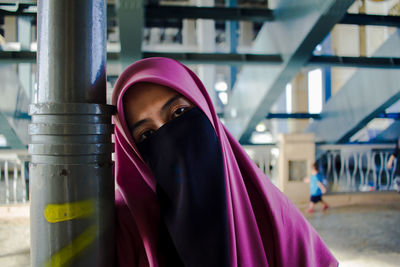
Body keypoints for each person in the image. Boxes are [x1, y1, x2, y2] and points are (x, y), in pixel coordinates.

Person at [112, 57, 337, 266]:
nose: (169, 137)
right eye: (147, 135)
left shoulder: (274, 216)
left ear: (206, 111)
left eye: (179, 112)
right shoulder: (124, 228)